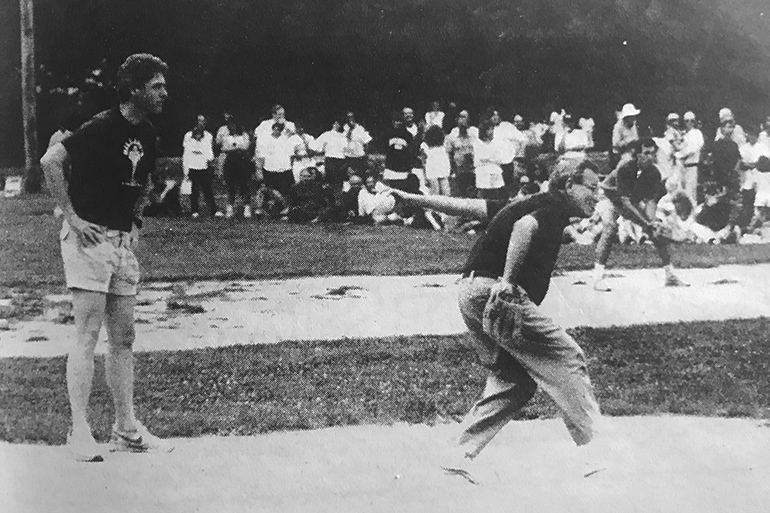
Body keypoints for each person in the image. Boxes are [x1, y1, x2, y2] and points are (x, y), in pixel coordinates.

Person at [388, 159, 610, 477]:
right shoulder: (554, 205)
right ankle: (595, 453)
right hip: (497, 293)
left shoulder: (523, 203)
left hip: (470, 293)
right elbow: (524, 228)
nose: (597, 193)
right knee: (566, 357)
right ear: (568, 186)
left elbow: (466, 207)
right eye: (591, 187)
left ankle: (456, 456)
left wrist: (414, 200)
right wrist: (507, 280)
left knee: (514, 381)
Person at [40, 53, 174, 462]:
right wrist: (73, 216)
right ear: (133, 88)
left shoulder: (148, 133)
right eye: (156, 85)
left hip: (120, 242)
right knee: (87, 332)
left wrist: (135, 222)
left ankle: (125, 428)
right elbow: (51, 161)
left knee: (124, 337)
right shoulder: (100, 126)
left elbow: (144, 181)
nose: (164, 92)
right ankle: (78, 431)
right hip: (89, 239)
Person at [593, 138, 689, 291]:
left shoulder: (654, 173)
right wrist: (646, 223)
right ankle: (597, 277)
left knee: (654, 230)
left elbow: (650, 201)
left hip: (629, 200)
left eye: (652, 153)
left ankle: (670, 274)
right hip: (610, 197)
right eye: (645, 153)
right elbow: (623, 202)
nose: (649, 157)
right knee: (610, 228)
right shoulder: (625, 167)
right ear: (637, 155)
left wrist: (651, 222)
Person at [182, 114, 222, 218]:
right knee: (194, 189)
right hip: (193, 166)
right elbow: (187, 152)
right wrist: (186, 168)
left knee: (208, 189)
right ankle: (194, 210)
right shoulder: (188, 136)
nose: (202, 123)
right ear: (196, 122)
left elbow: (209, 151)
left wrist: (210, 161)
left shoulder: (208, 136)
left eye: (204, 121)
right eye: (200, 121)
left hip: (203, 166)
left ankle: (213, 210)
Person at [219, 117, 253, 218]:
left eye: (233, 125)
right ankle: (230, 208)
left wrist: (234, 148)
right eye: (230, 125)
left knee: (244, 186)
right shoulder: (227, 137)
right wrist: (237, 148)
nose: (232, 127)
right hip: (230, 163)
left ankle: (246, 208)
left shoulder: (244, 135)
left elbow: (246, 147)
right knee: (230, 186)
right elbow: (224, 148)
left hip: (242, 163)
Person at [446, 110, 478, 199]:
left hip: (473, 169)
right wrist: (452, 169)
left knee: (473, 195)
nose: (463, 120)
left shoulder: (475, 133)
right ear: (457, 119)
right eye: (461, 117)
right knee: (460, 195)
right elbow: (449, 154)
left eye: (465, 117)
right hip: (459, 170)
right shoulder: (452, 135)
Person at [473, 120, 506, 200]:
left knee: (495, 192)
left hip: (494, 169)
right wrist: (490, 158)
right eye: (489, 129)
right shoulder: (478, 143)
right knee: (483, 192)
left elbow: (499, 158)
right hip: (482, 170)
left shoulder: (496, 142)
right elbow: (480, 157)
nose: (491, 132)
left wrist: (489, 159)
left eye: (492, 129)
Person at [678, 111, 704, 206]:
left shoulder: (697, 133)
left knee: (691, 191)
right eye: (687, 121)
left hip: (692, 166)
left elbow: (693, 149)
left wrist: (679, 154)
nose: (689, 123)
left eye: (691, 121)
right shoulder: (683, 134)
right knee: (681, 191)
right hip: (682, 166)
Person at [420, 124, 451, 196]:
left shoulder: (424, 145)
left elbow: (423, 161)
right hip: (442, 168)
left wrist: (425, 175)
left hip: (432, 169)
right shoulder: (443, 146)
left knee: (435, 192)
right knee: (445, 192)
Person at [342, 111, 372, 176]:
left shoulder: (360, 129)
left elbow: (367, 143)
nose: (350, 119)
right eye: (348, 117)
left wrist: (365, 155)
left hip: (358, 158)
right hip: (347, 158)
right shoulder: (344, 129)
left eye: (351, 117)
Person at [611, 103, 640, 167]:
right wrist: (628, 142)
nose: (634, 119)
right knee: (628, 159)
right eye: (631, 117)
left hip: (633, 151)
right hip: (620, 154)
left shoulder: (633, 125)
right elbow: (615, 144)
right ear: (626, 117)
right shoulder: (618, 127)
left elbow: (636, 137)